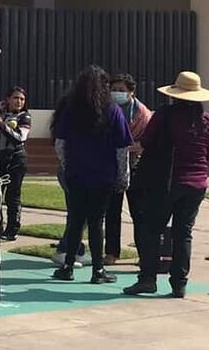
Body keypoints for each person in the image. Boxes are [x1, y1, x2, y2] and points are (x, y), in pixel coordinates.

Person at [124, 71, 209, 298]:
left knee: (151, 229)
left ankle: (147, 279)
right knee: (183, 233)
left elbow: (147, 141)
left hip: (166, 181)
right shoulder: (207, 121)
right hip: (197, 183)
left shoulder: (165, 115)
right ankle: (179, 284)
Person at [51, 65, 132, 284]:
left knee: (75, 220)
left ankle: (68, 266)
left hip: (77, 173)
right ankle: (98, 270)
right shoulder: (113, 110)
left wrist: (67, 166)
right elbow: (121, 148)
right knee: (97, 222)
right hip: (103, 175)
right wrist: (123, 177)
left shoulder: (71, 110)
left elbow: (60, 143)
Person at [104, 74, 153, 265]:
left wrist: (128, 147)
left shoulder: (143, 114)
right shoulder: (106, 110)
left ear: (131, 92)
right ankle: (111, 252)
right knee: (112, 212)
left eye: (121, 90)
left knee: (139, 213)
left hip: (136, 167)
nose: (117, 93)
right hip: (112, 165)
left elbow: (149, 140)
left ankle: (144, 253)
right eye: (114, 89)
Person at [0, 87, 31, 241]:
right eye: (16, 98)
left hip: (15, 159)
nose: (19, 102)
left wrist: (2, 125)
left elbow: (20, 137)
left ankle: (12, 230)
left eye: (22, 99)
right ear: (8, 99)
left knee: (12, 196)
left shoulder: (24, 116)